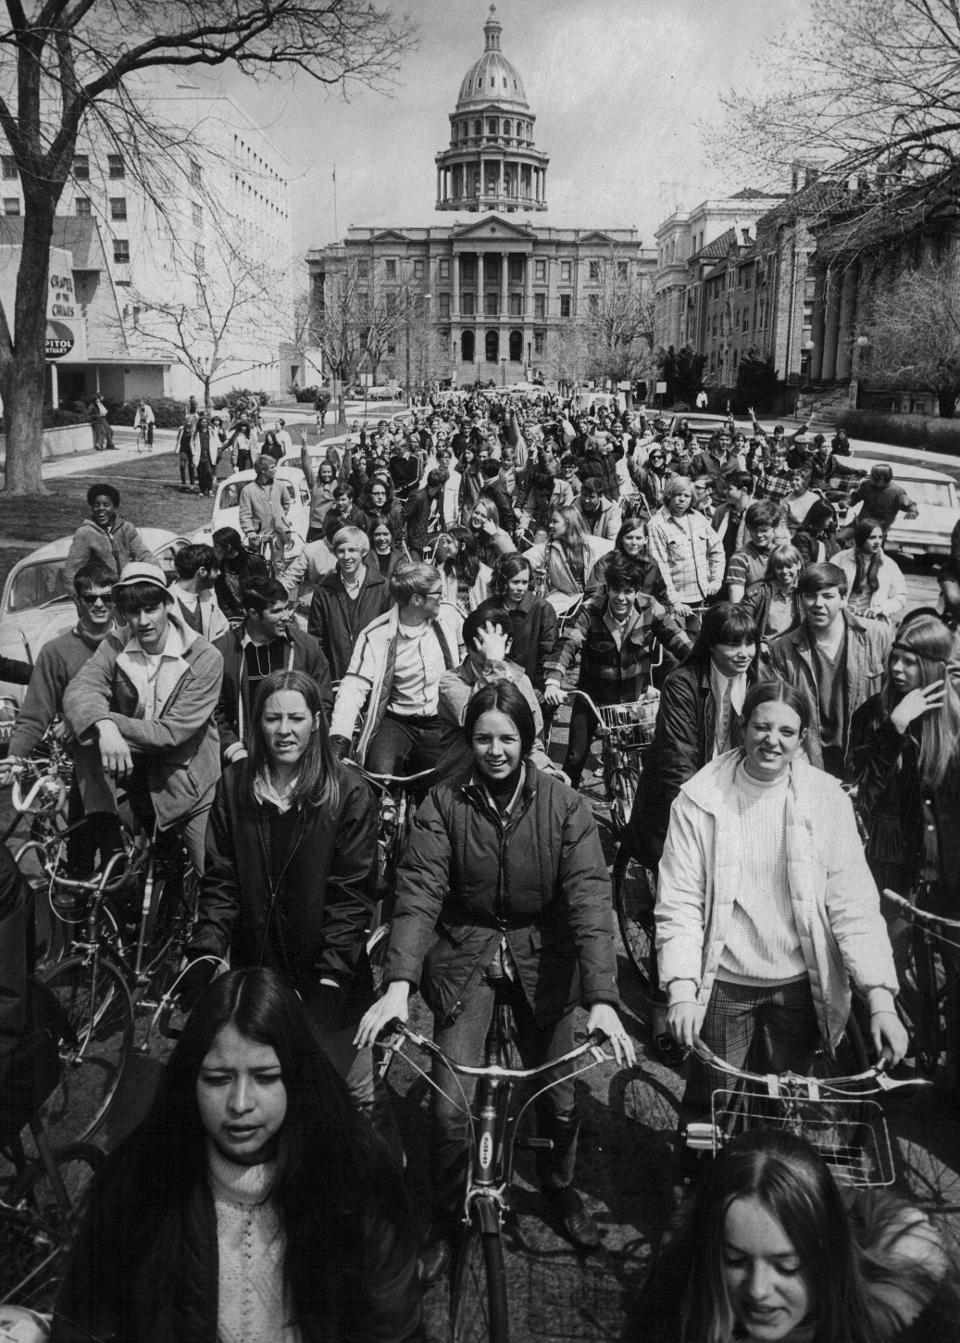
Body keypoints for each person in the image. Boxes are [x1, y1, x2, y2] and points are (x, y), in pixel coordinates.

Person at [355, 681, 635, 1279]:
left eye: (507, 737)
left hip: (545, 959)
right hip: (468, 954)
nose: (495, 750)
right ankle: (445, 1212)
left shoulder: (565, 806)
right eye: (482, 738)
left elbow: (589, 901)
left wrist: (603, 998)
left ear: (526, 740)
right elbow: (421, 892)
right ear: (469, 741)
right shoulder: (443, 803)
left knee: (559, 1093)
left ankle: (561, 1187)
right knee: (448, 1105)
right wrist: (400, 983)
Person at [51, 966, 425, 1343]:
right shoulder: (139, 1182)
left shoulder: (357, 1182)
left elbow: (394, 1328)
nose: (240, 1103)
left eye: (264, 1077)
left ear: (297, 1076)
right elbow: (83, 1322)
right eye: (217, 1079)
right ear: (189, 1079)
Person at [657, 680, 907, 1125]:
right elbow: (679, 901)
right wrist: (680, 988)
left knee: (779, 1110)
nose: (772, 740)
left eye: (787, 732)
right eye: (762, 727)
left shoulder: (826, 800)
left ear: (802, 736)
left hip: (797, 988)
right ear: (742, 728)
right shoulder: (699, 799)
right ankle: (701, 1189)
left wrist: (881, 998)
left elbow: (853, 903)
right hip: (725, 987)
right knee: (711, 1108)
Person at [187, 671, 382, 1119]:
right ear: (258, 723)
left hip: (331, 981)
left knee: (349, 1102)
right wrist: (205, 952)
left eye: (296, 717)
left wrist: (331, 978)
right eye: (272, 718)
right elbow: (221, 883)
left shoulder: (347, 793)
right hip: (261, 973)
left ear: (317, 721)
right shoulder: (235, 787)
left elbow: (352, 896)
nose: (284, 730)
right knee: (274, 1102)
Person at [625, 1127, 959, 1343]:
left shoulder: (905, 1316)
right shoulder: (674, 1295)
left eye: (787, 1266)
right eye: (735, 1260)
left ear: (828, 1253)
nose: (757, 1291)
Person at [63, 561, 224, 875]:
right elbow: (80, 688)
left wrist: (106, 721)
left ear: (167, 603)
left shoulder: (204, 657)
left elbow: (170, 733)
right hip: (136, 782)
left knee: (214, 879)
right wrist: (104, 727)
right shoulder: (117, 642)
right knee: (140, 880)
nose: (143, 621)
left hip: (187, 788)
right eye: (133, 612)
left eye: (151, 609)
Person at [846, 612, 960, 978]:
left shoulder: (954, 724)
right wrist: (895, 728)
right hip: (892, 871)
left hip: (947, 873)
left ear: (933, 667)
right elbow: (863, 798)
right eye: (895, 658)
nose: (896, 668)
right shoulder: (872, 716)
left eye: (909, 662)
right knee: (883, 970)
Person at [622, 603, 766, 875]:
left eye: (750, 643)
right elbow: (677, 758)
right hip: (689, 794)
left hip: (740, 791)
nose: (744, 653)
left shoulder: (759, 679)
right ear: (710, 644)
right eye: (733, 644)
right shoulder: (682, 683)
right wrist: (703, 811)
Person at [1, 563, 122, 877]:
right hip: (86, 773)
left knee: (125, 866)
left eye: (107, 597)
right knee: (80, 865)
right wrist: (15, 756)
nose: (99, 604)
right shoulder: (55, 652)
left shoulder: (130, 644)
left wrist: (77, 719)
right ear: (76, 600)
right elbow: (34, 714)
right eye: (89, 597)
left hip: (132, 770)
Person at [543, 554, 690, 789]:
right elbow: (568, 643)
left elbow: (677, 639)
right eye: (616, 591)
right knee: (575, 758)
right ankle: (564, 812)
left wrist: (700, 663)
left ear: (636, 591)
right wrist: (554, 680)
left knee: (646, 760)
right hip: (593, 697)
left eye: (628, 591)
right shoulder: (591, 609)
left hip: (633, 699)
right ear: (607, 589)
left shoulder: (651, 608)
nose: (621, 598)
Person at [329, 561, 458, 772]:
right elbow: (353, 687)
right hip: (397, 722)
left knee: (444, 781)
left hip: (439, 720)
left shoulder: (448, 619)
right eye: (438, 593)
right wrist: (338, 738)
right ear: (416, 600)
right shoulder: (376, 634)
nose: (442, 598)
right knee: (379, 774)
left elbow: (465, 660)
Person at [767, 561, 893, 777]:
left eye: (828, 596)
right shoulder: (782, 649)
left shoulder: (876, 635)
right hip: (810, 762)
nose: (818, 603)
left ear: (843, 599)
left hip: (866, 759)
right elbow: (781, 714)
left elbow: (894, 696)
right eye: (810, 595)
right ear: (800, 599)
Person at [213, 575, 333, 765]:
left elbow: (323, 702)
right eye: (276, 611)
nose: (286, 616)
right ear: (253, 613)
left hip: (297, 755)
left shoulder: (306, 647)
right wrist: (234, 750)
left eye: (286, 607)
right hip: (244, 758)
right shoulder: (222, 652)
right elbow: (213, 711)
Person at [436, 603, 557, 777]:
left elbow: (534, 740)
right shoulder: (451, 681)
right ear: (469, 647)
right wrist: (494, 664)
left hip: (511, 777)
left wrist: (545, 770)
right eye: (482, 645)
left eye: (495, 644)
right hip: (464, 777)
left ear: (508, 644)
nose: (487, 653)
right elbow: (480, 716)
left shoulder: (521, 681)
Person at [307, 526, 391, 684]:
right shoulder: (324, 591)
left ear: (363, 552)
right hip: (336, 678)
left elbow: (390, 637)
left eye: (352, 550)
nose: (346, 557)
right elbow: (316, 639)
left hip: (372, 678)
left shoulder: (382, 587)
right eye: (341, 551)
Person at [645, 476, 724, 631]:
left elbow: (717, 548)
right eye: (677, 495)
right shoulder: (656, 525)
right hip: (673, 601)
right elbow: (660, 568)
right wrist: (675, 602)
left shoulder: (698, 518)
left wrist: (716, 580)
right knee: (676, 647)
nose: (682, 500)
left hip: (699, 597)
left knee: (695, 645)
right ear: (669, 496)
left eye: (686, 496)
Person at [488, 552, 558, 695]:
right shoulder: (489, 609)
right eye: (515, 582)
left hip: (532, 689)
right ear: (502, 581)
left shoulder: (542, 608)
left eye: (525, 582)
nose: (521, 588)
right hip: (496, 688)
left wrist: (539, 688)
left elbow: (550, 652)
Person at [524, 504, 612, 610]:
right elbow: (523, 561)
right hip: (562, 602)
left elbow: (617, 549)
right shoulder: (549, 548)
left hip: (593, 601)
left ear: (569, 523)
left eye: (555, 521)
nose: (550, 525)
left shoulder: (591, 544)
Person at [65, 483, 155, 584]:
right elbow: (72, 571)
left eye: (106, 505)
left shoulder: (126, 528)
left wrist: (157, 575)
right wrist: (82, 599)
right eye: (96, 505)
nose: (101, 509)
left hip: (126, 589)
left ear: (114, 506)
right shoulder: (85, 533)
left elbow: (143, 555)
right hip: (101, 593)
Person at [833, 518, 907, 622]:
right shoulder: (840, 559)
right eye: (872, 537)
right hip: (842, 618)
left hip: (873, 622)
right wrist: (841, 605)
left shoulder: (889, 565)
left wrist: (880, 609)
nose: (877, 542)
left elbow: (900, 597)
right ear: (861, 538)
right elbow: (825, 588)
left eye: (880, 537)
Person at [168, 543, 230, 643]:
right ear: (202, 572)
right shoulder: (165, 602)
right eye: (215, 568)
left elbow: (223, 632)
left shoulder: (210, 596)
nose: (219, 573)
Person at [740, 543, 803, 641]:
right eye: (779, 567)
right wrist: (757, 644)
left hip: (794, 648)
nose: (785, 571)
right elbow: (742, 623)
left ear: (798, 565)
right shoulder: (759, 592)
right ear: (773, 568)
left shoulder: (804, 590)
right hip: (766, 648)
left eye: (789, 566)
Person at [725, 499, 782, 604]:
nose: (759, 535)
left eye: (764, 530)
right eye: (753, 530)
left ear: (774, 527)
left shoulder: (783, 555)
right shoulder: (740, 559)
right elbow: (736, 602)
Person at [211, 525, 268, 624]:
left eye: (216, 546)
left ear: (228, 547)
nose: (214, 549)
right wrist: (231, 617)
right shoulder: (220, 564)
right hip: (234, 617)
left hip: (256, 615)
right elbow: (222, 596)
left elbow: (264, 591)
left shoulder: (253, 561)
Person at [238, 454, 295, 555]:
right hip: (258, 536)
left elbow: (286, 503)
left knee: (279, 564)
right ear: (262, 471)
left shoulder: (280, 485)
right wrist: (250, 531)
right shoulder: (248, 490)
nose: (275, 470)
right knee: (258, 563)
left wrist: (280, 518)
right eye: (272, 467)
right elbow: (244, 515)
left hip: (278, 534)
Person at [848, 463, 919, 534]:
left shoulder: (897, 492)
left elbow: (911, 505)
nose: (869, 477)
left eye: (872, 475)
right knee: (839, 538)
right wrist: (846, 501)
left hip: (878, 529)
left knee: (866, 542)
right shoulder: (866, 484)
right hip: (860, 523)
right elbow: (854, 497)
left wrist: (912, 512)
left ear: (881, 479)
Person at [467, 496, 516, 566]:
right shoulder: (470, 531)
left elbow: (514, 558)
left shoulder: (500, 534)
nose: (477, 517)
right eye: (476, 512)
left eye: (483, 516)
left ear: (491, 519)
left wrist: (495, 535)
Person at [575, 476, 623, 541]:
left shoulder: (612, 509)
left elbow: (614, 540)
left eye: (591, 497)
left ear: (600, 496)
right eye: (584, 495)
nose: (586, 500)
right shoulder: (573, 508)